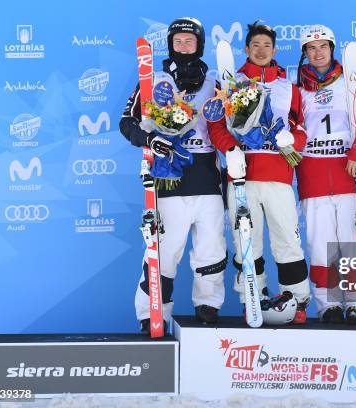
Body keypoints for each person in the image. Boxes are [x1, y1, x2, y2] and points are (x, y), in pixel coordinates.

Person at [119, 17, 232, 333]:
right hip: (169, 177)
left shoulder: (215, 82)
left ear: (200, 45)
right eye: (178, 41)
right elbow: (127, 123)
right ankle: (152, 312)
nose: (184, 46)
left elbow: (231, 123)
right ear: (170, 44)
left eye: (190, 41)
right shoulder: (153, 80)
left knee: (211, 246)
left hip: (207, 176)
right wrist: (150, 139)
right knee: (164, 250)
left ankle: (208, 304)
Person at [212, 22, 311, 324]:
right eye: (255, 45)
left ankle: (297, 300)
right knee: (247, 243)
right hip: (242, 176)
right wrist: (231, 150)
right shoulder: (231, 82)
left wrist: (293, 142)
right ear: (246, 48)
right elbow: (216, 126)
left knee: (287, 241)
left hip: (279, 177)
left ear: (275, 49)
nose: (261, 50)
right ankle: (251, 299)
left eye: (267, 45)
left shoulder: (288, 87)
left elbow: (301, 126)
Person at [296, 25, 356, 324]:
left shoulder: (352, 83)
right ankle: (327, 305)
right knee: (320, 245)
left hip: (347, 172)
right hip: (314, 174)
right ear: (304, 53)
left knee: (349, 242)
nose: (317, 52)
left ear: (332, 49)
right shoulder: (298, 89)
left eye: (323, 46)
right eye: (311, 48)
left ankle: (355, 303)